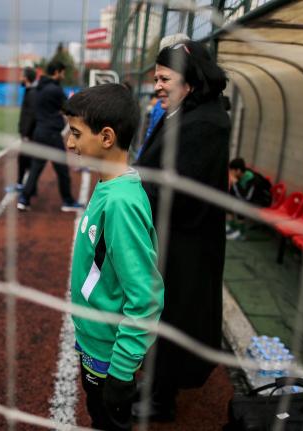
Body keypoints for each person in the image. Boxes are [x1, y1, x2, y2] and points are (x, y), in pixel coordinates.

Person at [134, 40, 231, 421]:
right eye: (156, 78)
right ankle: (156, 385)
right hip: (172, 239)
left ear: (189, 79)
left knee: (174, 315)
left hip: (185, 244)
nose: (157, 85)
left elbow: (181, 190)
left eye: (164, 78)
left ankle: (162, 399)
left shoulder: (207, 121)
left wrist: (129, 185)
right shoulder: (185, 111)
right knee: (161, 313)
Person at [64, 84, 165, 431]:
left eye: (76, 133)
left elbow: (146, 296)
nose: (69, 142)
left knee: (107, 420)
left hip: (108, 354)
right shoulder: (110, 185)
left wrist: (122, 373)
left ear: (106, 137)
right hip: (95, 337)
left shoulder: (121, 202)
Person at [17, 60, 82, 212]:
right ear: (57, 72)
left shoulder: (39, 87)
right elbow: (68, 109)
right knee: (62, 170)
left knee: (36, 168)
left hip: (39, 132)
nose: (63, 75)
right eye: (63, 72)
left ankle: (24, 199)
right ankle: (67, 200)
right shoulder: (55, 90)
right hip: (51, 134)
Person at [227, 157, 272, 240]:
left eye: (232, 171)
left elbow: (246, 198)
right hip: (249, 198)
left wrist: (235, 183)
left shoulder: (253, 180)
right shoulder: (239, 176)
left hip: (260, 202)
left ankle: (241, 233)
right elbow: (233, 194)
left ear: (238, 170)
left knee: (241, 205)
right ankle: (231, 228)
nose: (230, 173)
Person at [15, 67, 38, 190]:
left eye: (21, 75)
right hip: (29, 134)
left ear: (26, 78)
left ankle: (26, 186)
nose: (20, 78)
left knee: (26, 160)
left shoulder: (33, 93)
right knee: (25, 160)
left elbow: (32, 115)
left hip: (30, 135)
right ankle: (25, 185)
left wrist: (26, 134)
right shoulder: (29, 91)